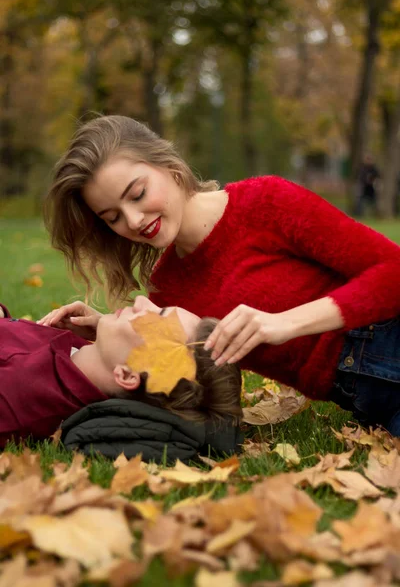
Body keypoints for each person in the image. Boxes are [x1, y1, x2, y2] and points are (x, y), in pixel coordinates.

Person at [43, 115, 400, 435]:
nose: (133, 220)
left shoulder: (266, 203)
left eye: (137, 194)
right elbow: (149, 368)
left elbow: (392, 270)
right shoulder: (168, 290)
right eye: (113, 217)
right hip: (373, 401)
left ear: (170, 166)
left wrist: (286, 323)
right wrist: (104, 328)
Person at [0, 296, 242, 447]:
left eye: (155, 317)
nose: (140, 301)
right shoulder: (84, 358)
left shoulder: (20, 393)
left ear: (126, 375)